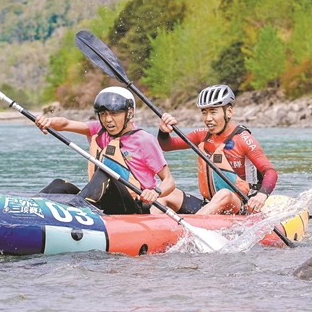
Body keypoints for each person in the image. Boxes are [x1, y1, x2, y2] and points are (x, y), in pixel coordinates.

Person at [34, 87, 176, 215]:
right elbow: (66, 124)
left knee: (106, 172)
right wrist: (48, 122)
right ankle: (32, 209)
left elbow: (169, 181)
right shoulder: (100, 130)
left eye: (114, 113)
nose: (108, 119)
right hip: (99, 204)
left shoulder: (145, 140)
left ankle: (78, 210)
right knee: (60, 185)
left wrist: (156, 192)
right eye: (103, 114)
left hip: (133, 207)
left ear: (130, 112)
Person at [156, 84, 278, 215]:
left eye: (213, 112)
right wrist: (163, 132)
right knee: (164, 193)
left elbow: (270, 172)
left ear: (229, 112)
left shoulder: (244, 139)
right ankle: (150, 225)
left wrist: (261, 195)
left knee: (224, 194)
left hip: (240, 209)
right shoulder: (202, 135)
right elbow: (168, 145)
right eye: (204, 112)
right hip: (209, 205)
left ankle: (192, 225)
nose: (208, 118)